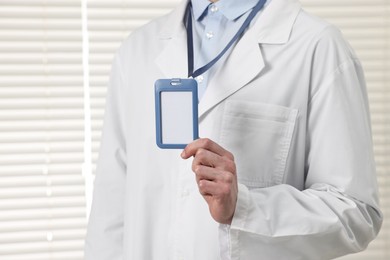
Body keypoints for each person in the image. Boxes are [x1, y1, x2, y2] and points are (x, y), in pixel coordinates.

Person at [85, 0, 383, 259]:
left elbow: (356, 212)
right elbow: (110, 215)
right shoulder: (137, 50)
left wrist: (245, 208)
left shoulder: (317, 46)